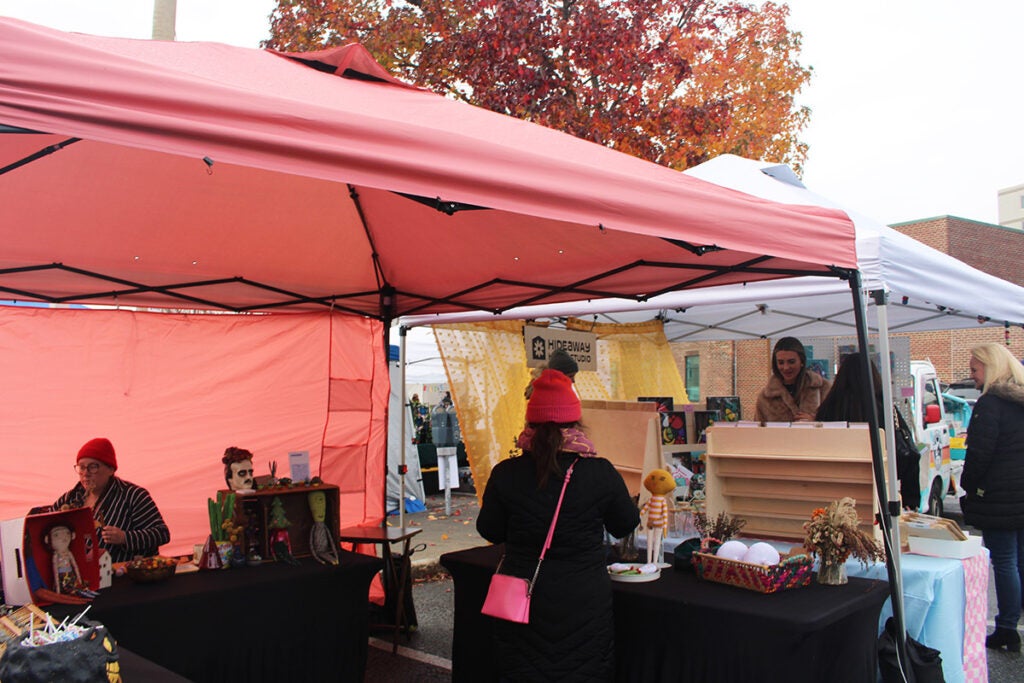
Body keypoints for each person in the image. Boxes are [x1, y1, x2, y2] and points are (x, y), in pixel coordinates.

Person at [477, 368, 639, 682]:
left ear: (530, 423)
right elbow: (625, 524)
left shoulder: (506, 472)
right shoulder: (600, 472)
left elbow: (490, 530)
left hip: (521, 597)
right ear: (575, 422)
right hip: (584, 600)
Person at [960, 343, 1024, 653]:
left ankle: (1007, 629)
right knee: (1018, 560)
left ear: (991, 367)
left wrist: (968, 486)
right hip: (1018, 493)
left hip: (999, 496)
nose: (971, 376)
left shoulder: (990, 405)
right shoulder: (1020, 400)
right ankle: (1014, 620)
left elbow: (979, 455)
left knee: (1004, 561)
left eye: (974, 369)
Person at [816, 353, 920, 508]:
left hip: (837, 487)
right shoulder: (882, 406)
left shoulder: (829, 408)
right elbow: (907, 449)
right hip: (879, 489)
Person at [54, 437, 170, 563]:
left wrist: (125, 538)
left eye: (93, 467)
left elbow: (161, 534)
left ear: (111, 469)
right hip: (78, 575)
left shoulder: (132, 495)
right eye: (81, 467)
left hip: (126, 576)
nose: (85, 473)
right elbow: (45, 525)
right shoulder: (70, 498)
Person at [754, 337, 831, 422]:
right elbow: (758, 431)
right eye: (781, 362)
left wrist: (816, 421)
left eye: (791, 362)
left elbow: (837, 425)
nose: (786, 367)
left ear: (802, 362)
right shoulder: (765, 398)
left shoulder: (823, 389)